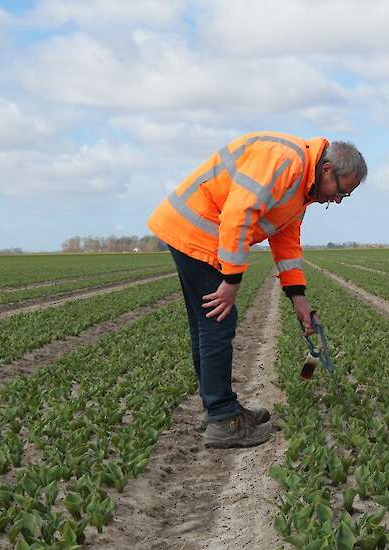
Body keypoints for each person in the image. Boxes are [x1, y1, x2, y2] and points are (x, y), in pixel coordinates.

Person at [148, 131, 368, 448]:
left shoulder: (302, 190)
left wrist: (298, 298)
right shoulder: (284, 161)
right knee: (217, 322)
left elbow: (286, 242)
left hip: (195, 231)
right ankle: (223, 420)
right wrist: (232, 280)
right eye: (340, 192)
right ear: (327, 169)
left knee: (207, 324)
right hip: (197, 230)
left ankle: (220, 408)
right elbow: (239, 215)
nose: (336, 200)